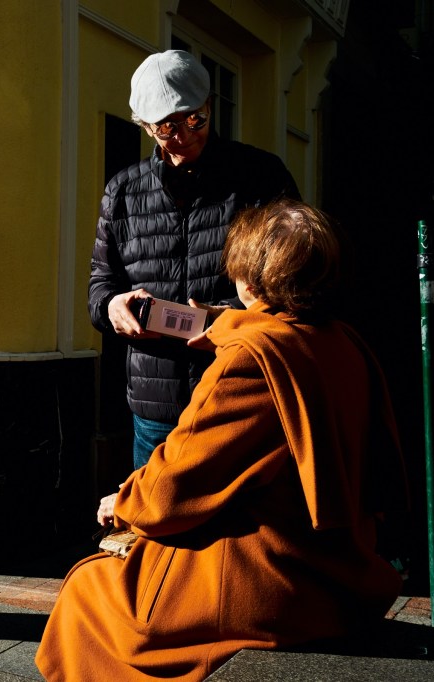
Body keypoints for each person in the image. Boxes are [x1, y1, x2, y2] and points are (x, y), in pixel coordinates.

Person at [37, 199, 410, 681]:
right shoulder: (342, 342)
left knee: (90, 592)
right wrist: (225, 320)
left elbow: (174, 487)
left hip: (273, 582)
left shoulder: (250, 361)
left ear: (249, 280)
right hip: (339, 571)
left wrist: (123, 502)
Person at [89, 49, 301, 469]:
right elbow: (101, 283)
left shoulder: (261, 175)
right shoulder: (122, 191)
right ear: (145, 126)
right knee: (155, 510)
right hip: (155, 410)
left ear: (209, 106)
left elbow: (295, 281)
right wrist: (112, 307)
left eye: (194, 119)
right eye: (166, 127)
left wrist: (229, 318)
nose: (183, 136)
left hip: (238, 394)